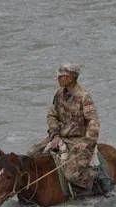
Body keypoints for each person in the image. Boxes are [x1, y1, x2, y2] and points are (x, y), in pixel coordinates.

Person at [28, 63, 111, 195]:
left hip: (79, 141)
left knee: (71, 174)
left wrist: (87, 143)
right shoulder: (59, 94)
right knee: (31, 154)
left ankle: (95, 176)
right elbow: (52, 115)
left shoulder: (84, 96)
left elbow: (93, 121)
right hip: (60, 137)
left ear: (71, 77)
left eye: (62, 76)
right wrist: (54, 135)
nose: (58, 78)